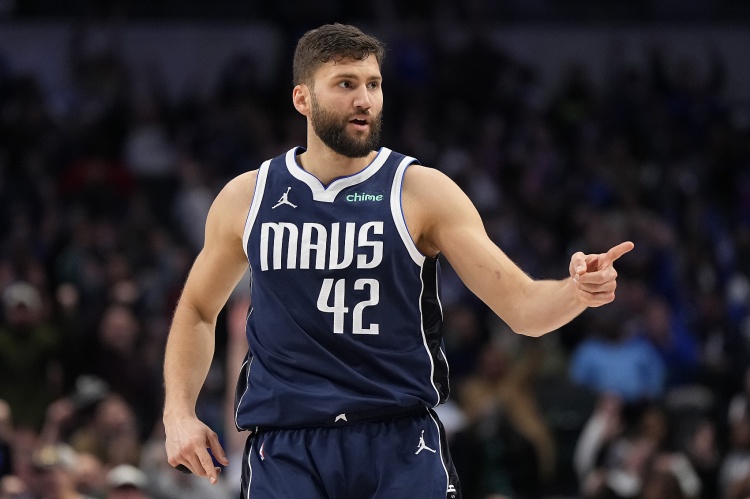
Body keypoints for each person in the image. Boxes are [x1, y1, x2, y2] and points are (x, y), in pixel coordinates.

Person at [162, 23, 634, 498]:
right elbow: (198, 308)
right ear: (302, 99)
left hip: (399, 442)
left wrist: (577, 291)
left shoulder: (421, 191)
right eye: (346, 84)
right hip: (287, 447)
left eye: (373, 84)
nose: (364, 99)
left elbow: (523, 307)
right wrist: (178, 412)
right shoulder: (248, 198)